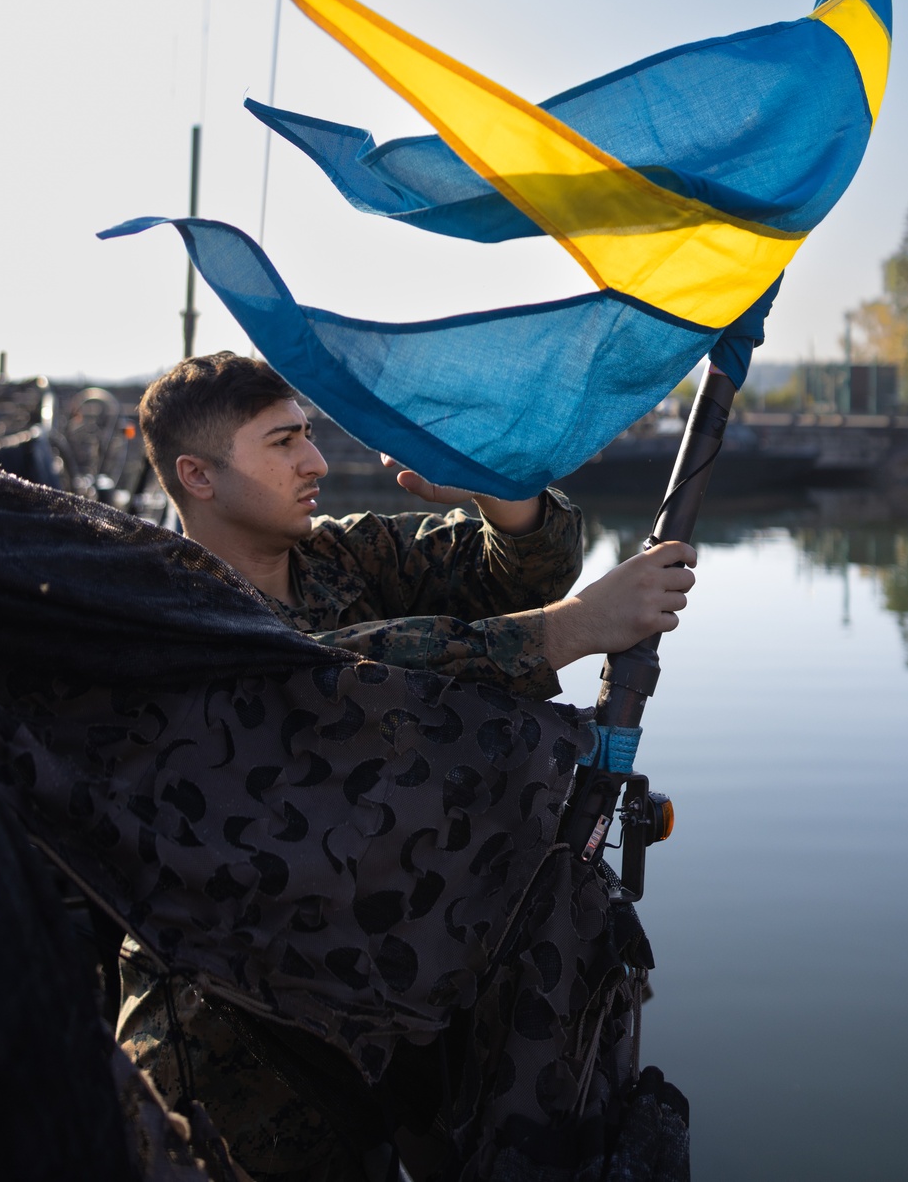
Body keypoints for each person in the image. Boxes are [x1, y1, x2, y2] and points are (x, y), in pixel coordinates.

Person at [115, 351, 696, 1182]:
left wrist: (494, 488)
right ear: (196, 476)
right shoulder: (160, 611)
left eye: (308, 435)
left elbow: (518, 569)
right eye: (283, 443)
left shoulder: (338, 557)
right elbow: (320, 680)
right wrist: (566, 630)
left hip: (402, 1004)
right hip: (232, 1047)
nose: (315, 461)